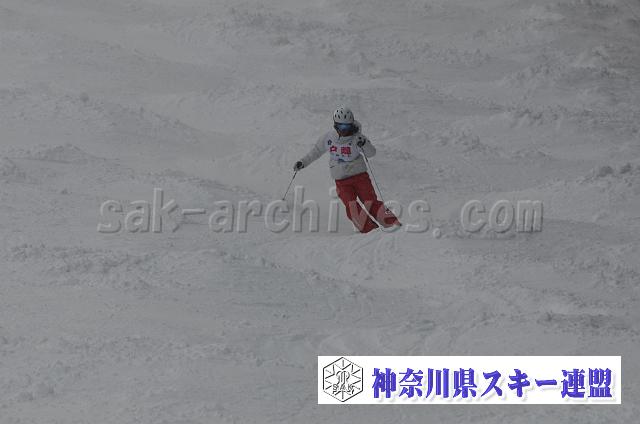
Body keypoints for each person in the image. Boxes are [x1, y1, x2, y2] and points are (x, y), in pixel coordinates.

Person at [293, 106, 401, 233]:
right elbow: (315, 152)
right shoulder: (328, 138)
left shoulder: (357, 138)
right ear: (336, 125)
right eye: (341, 126)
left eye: (347, 126)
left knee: (370, 202)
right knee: (351, 207)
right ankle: (369, 230)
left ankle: (392, 223)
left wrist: (364, 144)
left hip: (360, 177)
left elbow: (371, 153)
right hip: (341, 181)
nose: (345, 130)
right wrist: (303, 162)